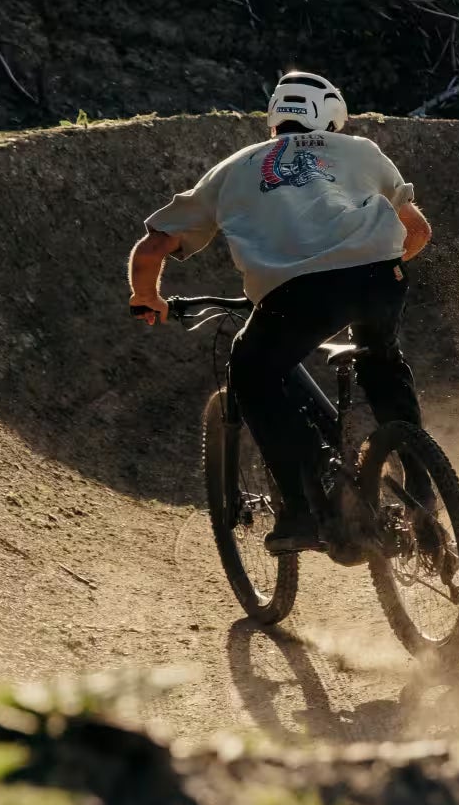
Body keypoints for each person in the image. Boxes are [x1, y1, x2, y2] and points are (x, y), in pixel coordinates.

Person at [127, 71, 433, 554]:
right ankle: (423, 485)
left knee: (251, 370)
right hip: (380, 276)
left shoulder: (234, 168)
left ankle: (300, 510)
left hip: (294, 296)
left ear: (273, 118)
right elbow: (415, 230)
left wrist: (147, 296)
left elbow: (153, 248)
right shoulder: (362, 151)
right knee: (382, 359)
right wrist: (367, 269)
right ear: (332, 118)